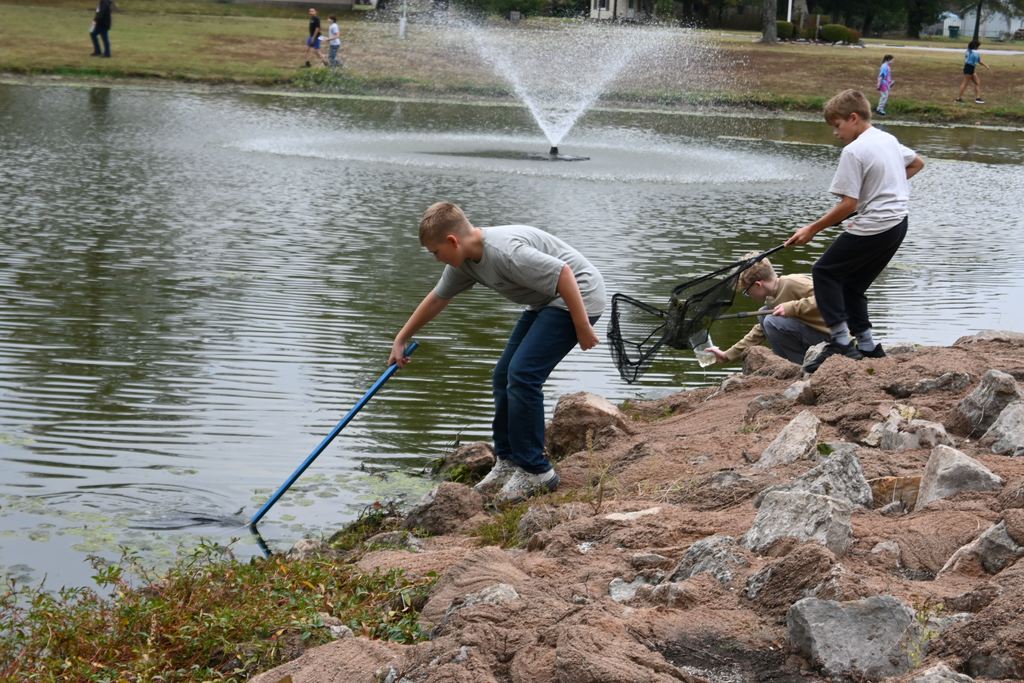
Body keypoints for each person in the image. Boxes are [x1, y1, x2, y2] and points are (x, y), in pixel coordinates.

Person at [388, 202, 604, 505]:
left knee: (524, 374)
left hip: (579, 296)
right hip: (546, 301)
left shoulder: (505, 252)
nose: (436, 260)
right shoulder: (463, 261)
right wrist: (402, 337)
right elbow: (438, 298)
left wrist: (582, 326)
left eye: (435, 252)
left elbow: (564, 274)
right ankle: (508, 459)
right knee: (504, 374)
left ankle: (537, 471)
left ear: (452, 241)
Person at [785, 89, 924, 374]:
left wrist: (811, 228)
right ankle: (868, 345)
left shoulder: (854, 150)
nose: (836, 133)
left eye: (837, 126)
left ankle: (840, 342)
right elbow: (916, 163)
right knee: (852, 285)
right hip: (898, 225)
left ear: (853, 118)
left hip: (876, 225)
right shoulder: (887, 139)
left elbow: (849, 204)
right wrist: (881, 189)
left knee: (824, 272)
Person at [705, 256, 829, 366]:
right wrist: (727, 355)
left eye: (746, 292)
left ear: (758, 285)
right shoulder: (771, 298)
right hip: (815, 337)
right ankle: (788, 366)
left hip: (834, 336)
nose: (748, 295)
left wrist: (792, 307)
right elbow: (759, 332)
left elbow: (832, 297)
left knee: (771, 320)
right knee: (764, 316)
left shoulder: (792, 283)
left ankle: (801, 367)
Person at [956, 39, 991, 104]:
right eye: (978, 46)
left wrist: (985, 65)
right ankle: (958, 99)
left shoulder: (968, 51)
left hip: (969, 67)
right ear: (975, 46)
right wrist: (986, 66)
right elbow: (979, 61)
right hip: (969, 68)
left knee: (977, 82)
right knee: (965, 83)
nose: (978, 47)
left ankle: (978, 98)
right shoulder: (975, 53)